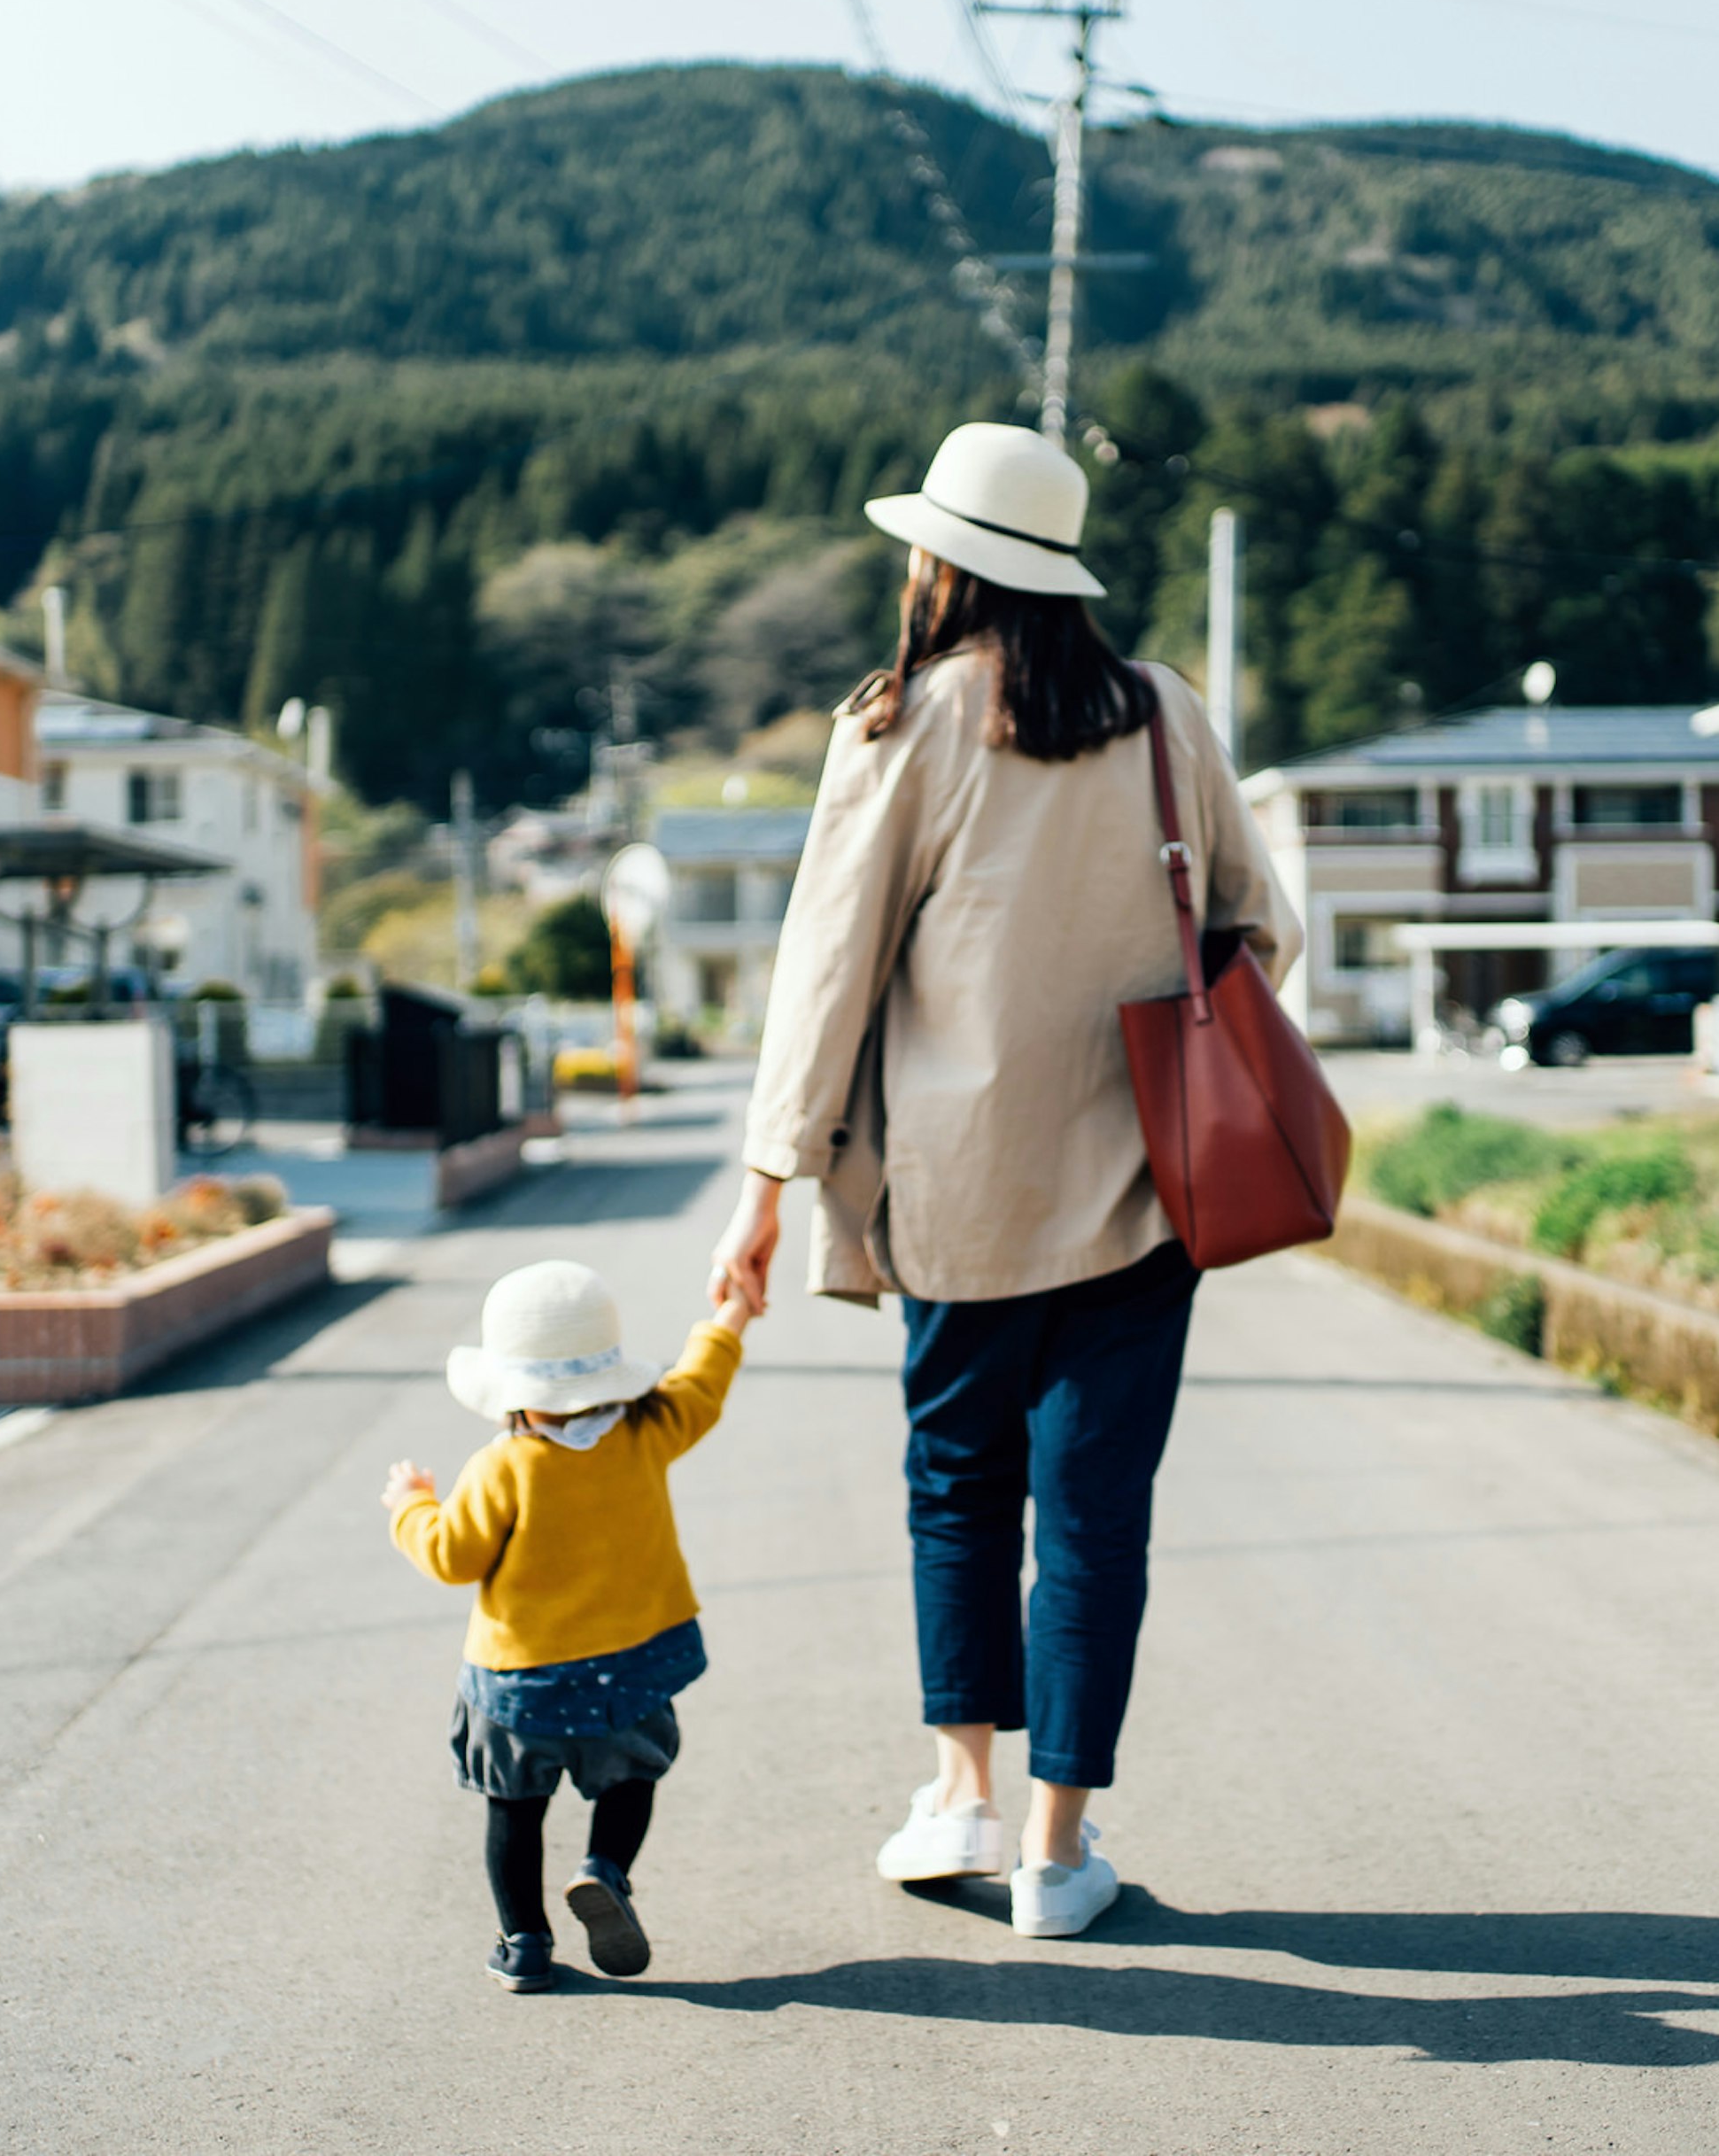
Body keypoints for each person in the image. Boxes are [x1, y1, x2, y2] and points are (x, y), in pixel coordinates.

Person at [711, 421, 1300, 1940]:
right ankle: (1059, 1851)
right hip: (1147, 1190)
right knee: (1097, 1515)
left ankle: (958, 1798)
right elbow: (1261, 927)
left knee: (959, 1496)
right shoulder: (1164, 713)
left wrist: (770, 1182)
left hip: (957, 1199)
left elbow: (827, 968)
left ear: (946, 562)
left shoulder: (899, 720)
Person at [387, 1259, 752, 1993]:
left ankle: (523, 1944)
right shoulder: (648, 1429)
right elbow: (701, 1386)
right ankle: (605, 1868)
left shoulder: (505, 1466)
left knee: (515, 1810)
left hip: (525, 1680)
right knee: (632, 1778)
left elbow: (452, 1556)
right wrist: (731, 1314)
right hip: (632, 1670)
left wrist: (411, 1505)